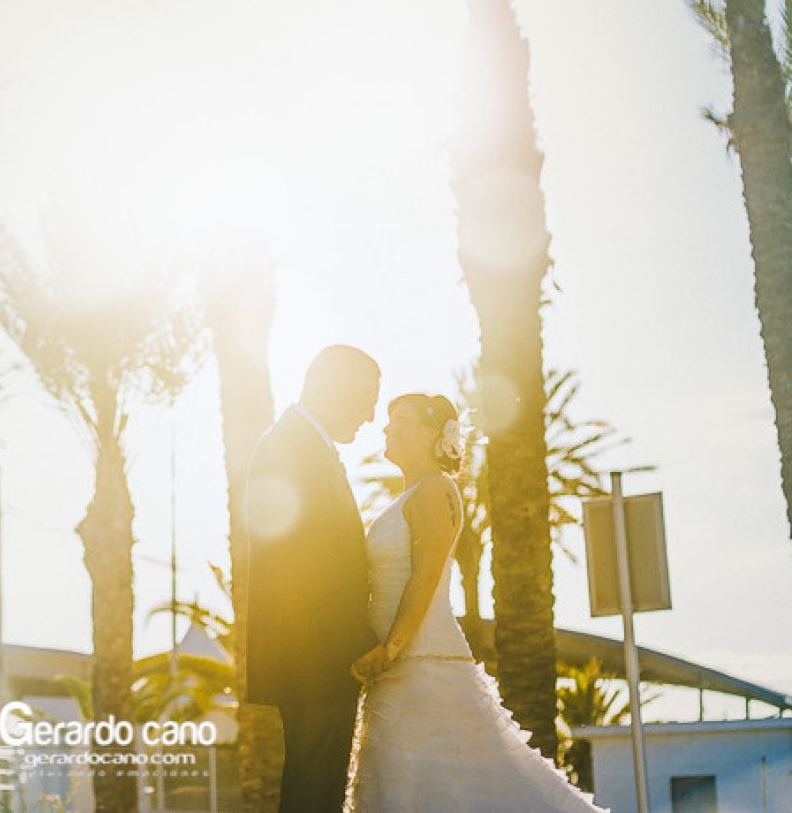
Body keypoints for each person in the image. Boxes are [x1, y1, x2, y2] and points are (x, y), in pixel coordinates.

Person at [348, 393, 609, 812]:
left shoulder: (435, 490)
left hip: (421, 664)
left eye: (399, 418)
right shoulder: (408, 497)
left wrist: (392, 649)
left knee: (451, 786)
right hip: (395, 671)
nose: (387, 426)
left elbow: (426, 577)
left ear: (431, 434)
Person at [241, 344, 382, 813]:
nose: (370, 415)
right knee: (314, 788)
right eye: (366, 399)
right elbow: (302, 561)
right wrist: (355, 642)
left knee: (315, 785)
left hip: (314, 655)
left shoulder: (303, 442)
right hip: (315, 655)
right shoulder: (293, 445)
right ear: (334, 388)